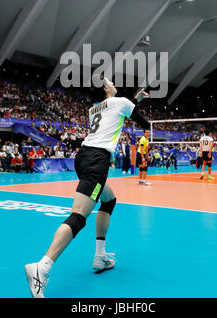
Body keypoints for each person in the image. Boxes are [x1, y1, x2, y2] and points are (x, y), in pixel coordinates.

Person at [25, 78, 150, 298]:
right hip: (96, 161)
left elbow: (118, 109)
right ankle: (42, 267)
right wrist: (137, 102)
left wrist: (134, 100)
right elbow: (143, 122)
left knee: (108, 200)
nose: (112, 82)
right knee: (79, 216)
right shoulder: (120, 102)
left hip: (83, 158)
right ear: (106, 89)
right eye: (110, 82)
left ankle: (100, 255)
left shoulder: (95, 109)